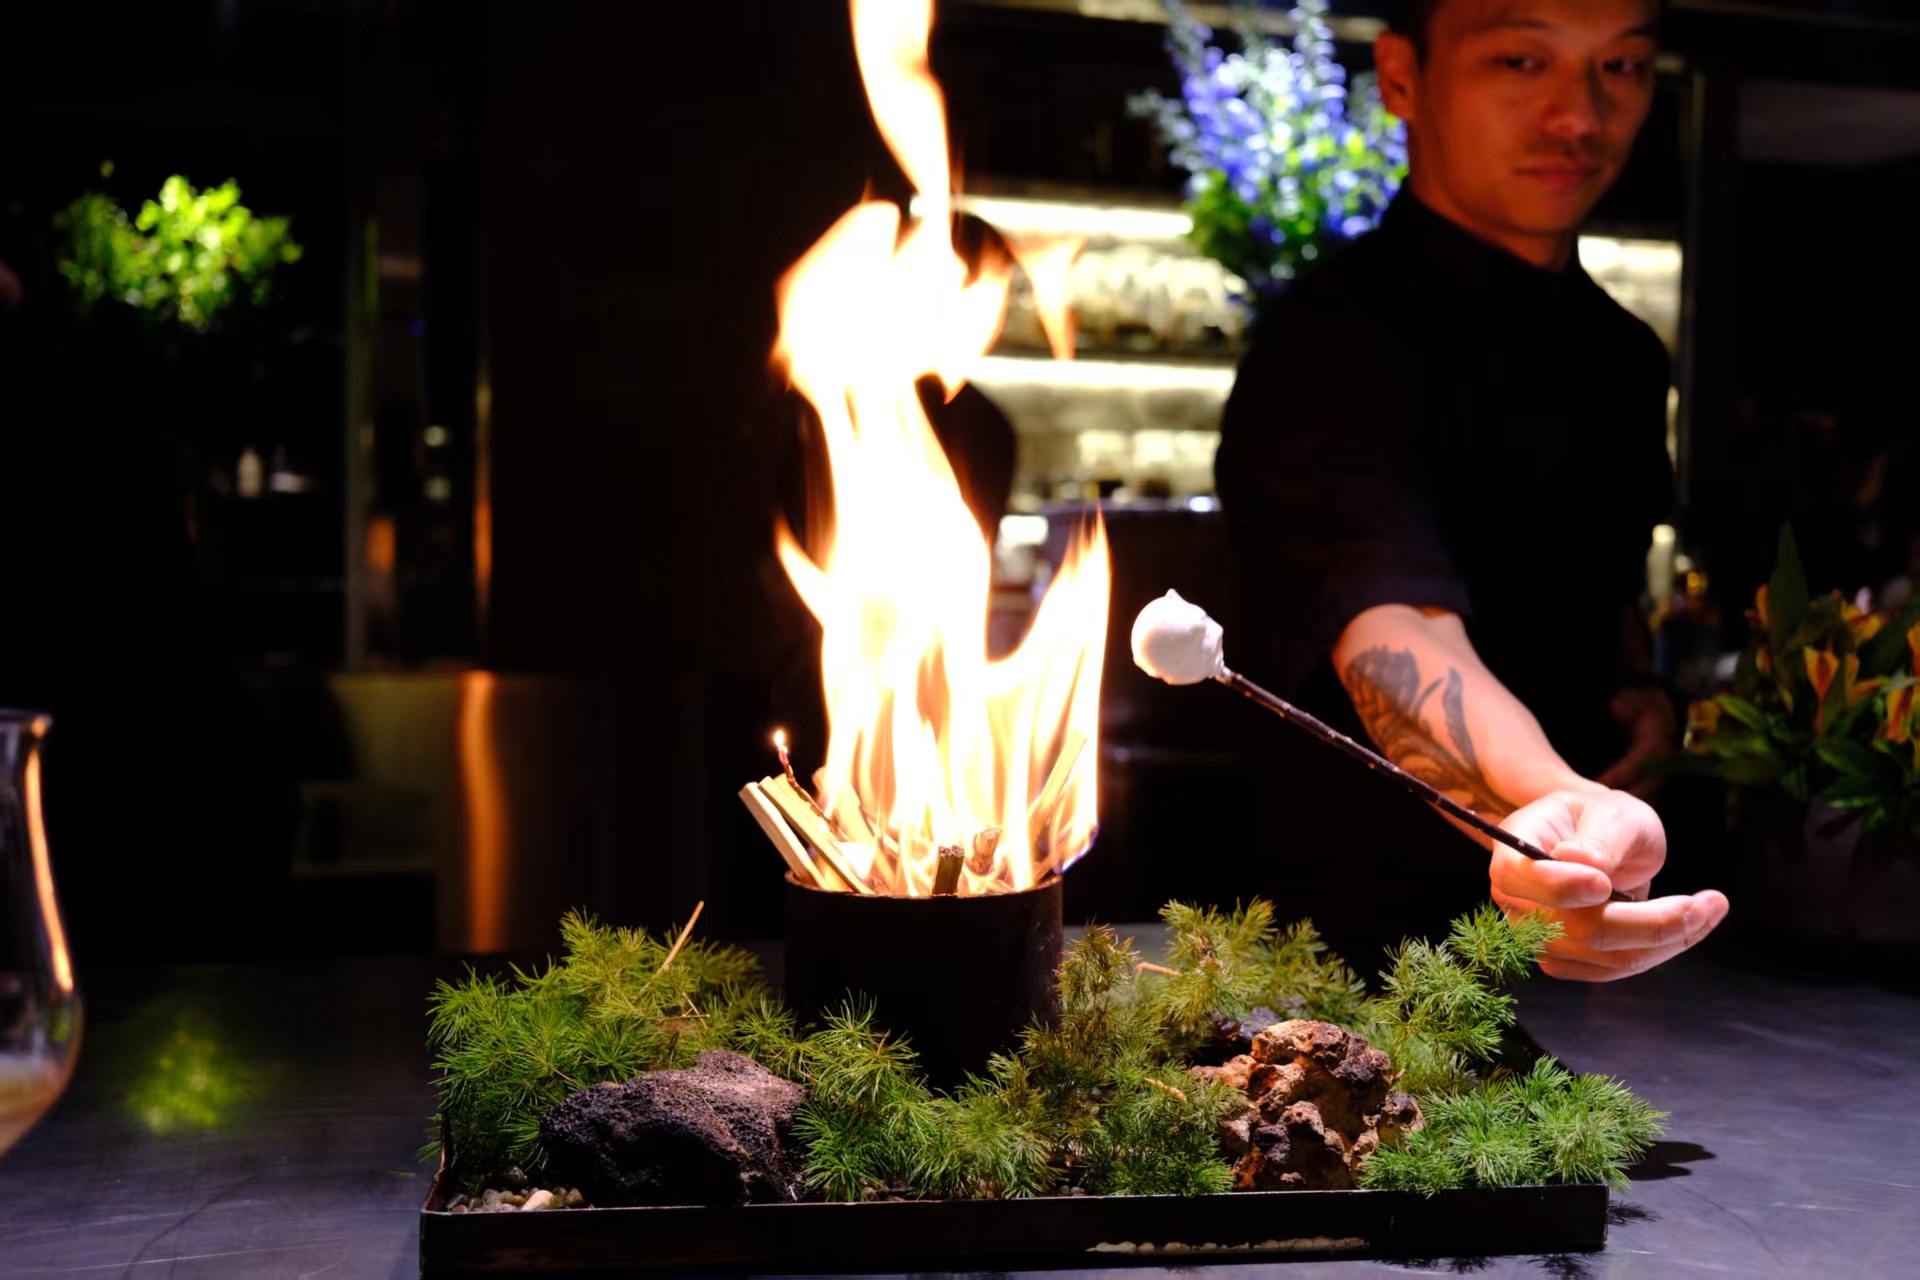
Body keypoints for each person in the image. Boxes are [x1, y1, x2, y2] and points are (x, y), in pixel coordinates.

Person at [1215, 0, 1728, 981]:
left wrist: (1644, 701)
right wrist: (1559, 819)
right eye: (1522, 61)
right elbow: (1396, 629)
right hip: (1367, 952)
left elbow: (1605, 594)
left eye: (1620, 67)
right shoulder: (1327, 344)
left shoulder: (1625, 356)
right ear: (1402, 78)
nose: (1579, 116)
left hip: (1610, 921)